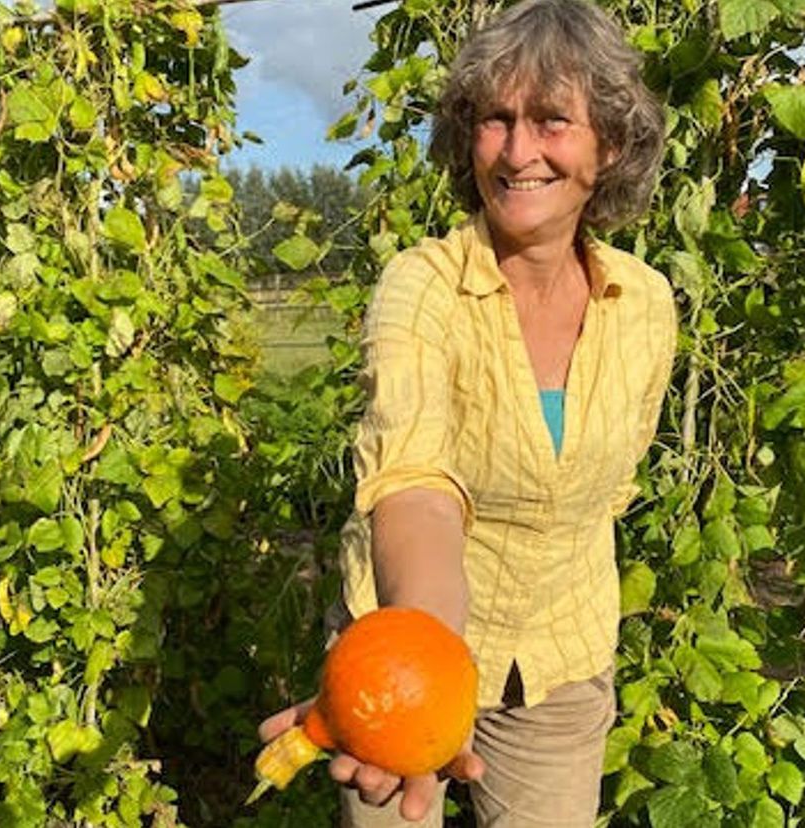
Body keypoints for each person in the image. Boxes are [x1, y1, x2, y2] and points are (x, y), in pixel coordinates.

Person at [258, 0, 674, 824]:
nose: (519, 151)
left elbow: (617, 480)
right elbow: (414, 482)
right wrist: (419, 672)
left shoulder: (645, 303)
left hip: (557, 666)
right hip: (401, 661)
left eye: (552, 120)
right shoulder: (424, 286)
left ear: (611, 145)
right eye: (495, 120)